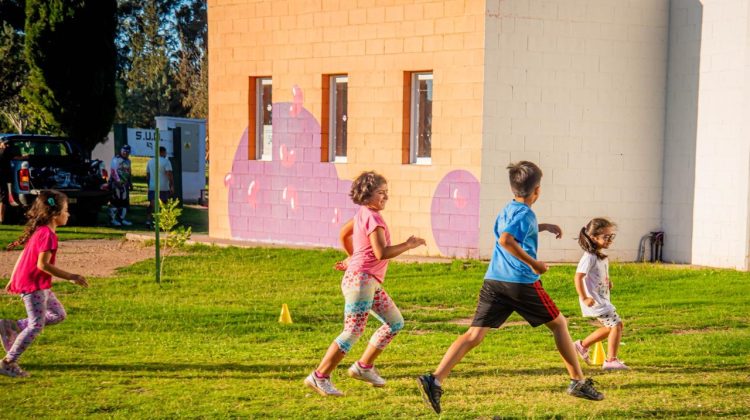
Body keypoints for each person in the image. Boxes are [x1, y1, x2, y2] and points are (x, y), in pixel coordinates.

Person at [417, 161, 604, 414]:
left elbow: (508, 231)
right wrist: (534, 264)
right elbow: (506, 239)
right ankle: (577, 382)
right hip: (520, 283)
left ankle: (435, 379)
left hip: (494, 280)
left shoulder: (509, 208)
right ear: (537, 190)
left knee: (474, 335)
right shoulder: (525, 213)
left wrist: (542, 227)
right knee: (559, 324)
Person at [305, 171, 426, 397]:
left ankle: (363, 367)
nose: (385, 197)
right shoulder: (374, 218)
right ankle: (319, 376)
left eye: (387, 193)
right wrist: (408, 245)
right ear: (367, 194)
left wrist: (353, 256)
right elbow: (381, 253)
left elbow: (344, 234)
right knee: (352, 331)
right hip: (361, 281)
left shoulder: (363, 214)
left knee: (395, 323)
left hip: (366, 280)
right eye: (381, 193)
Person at [0, 190, 88, 378]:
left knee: (58, 315)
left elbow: (24, 255)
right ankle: (8, 362)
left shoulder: (42, 231)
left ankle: (12, 326)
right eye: (66, 210)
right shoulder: (47, 235)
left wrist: (13, 277)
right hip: (34, 284)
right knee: (36, 325)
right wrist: (71, 276)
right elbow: (42, 264)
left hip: (38, 283)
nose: (68, 214)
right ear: (55, 215)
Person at [573, 218, 629, 371]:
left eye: (611, 236)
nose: (610, 240)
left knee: (610, 328)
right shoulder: (589, 257)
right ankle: (611, 361)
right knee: (617, 325)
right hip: (596, 301)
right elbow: (578, 277)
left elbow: (597, 274)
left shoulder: (599, 256)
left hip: (602, 298)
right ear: (593, 237)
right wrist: (584, 297)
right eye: (606, 237)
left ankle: (581, 345)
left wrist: (607, 282)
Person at [145, 146, 174, 229]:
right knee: (163, 205)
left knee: (152, 205)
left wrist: (149, 185)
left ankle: (148, 221)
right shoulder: (166, 162)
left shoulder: (150, 162)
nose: (165, 154)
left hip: (152, 187)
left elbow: (147, 175)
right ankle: (160, 223)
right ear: (162, 152)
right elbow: (169, 174)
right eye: (165, 152)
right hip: (163, 187)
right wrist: (172, 186)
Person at [109, 145, 133, 226]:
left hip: (124, 184)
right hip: (116, 184)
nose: (125, 153)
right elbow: (113, 171)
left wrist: (130, 182)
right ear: (121, 151)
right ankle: (112, 220)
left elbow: (129, 172)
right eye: (124, 151)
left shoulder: (128, 161)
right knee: (115, 201)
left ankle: (122, 219)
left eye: (127, 152)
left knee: (124, 202)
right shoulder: (116, 159)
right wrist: (118, 182)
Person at [0, 139, 11, 224]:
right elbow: (16, 157)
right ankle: (1, 218)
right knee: (3, 199)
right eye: (5, 144)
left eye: (8, 144)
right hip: (2, 179)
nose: (7, 146)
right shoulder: (4, 152)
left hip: (4, 178)